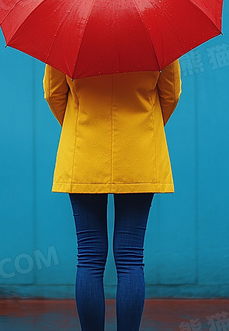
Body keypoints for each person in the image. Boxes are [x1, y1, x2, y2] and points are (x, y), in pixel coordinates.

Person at [43, 59, 182, 331]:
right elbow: (171, 93)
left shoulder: (69, 27)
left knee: (89, 257)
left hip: (84, 152)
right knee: (130, 258)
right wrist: (144, 125)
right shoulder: (155, 29)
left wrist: (78, 124)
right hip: (139, 153)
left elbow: (53, 93)